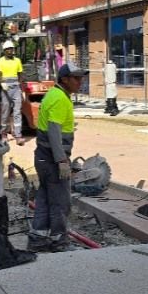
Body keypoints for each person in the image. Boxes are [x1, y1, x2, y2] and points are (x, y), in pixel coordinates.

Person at [27, 63, 86, 252]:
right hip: (53, 160)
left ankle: (37, 238)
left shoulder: (53, 94)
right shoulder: (60, 99)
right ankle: (59, 242)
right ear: (65, 79)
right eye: (76, 78)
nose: (80, 82)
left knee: (44, 198)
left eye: (81, 78)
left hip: (43, 157)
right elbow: (54, 131)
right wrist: (61, 161)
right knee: (60, 201)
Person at [0, 40, 25, 145]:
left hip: (16, 88)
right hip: (5, 89)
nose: (11, 51)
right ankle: (3, 134)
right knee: (5, 112)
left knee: (17, 112)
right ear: (5, 51)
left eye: (12, 49)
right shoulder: (0, 61)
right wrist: (2, 83)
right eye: (9, 49)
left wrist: (21, 89)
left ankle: (18, 135)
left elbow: (20, 75)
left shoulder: (17, 61)